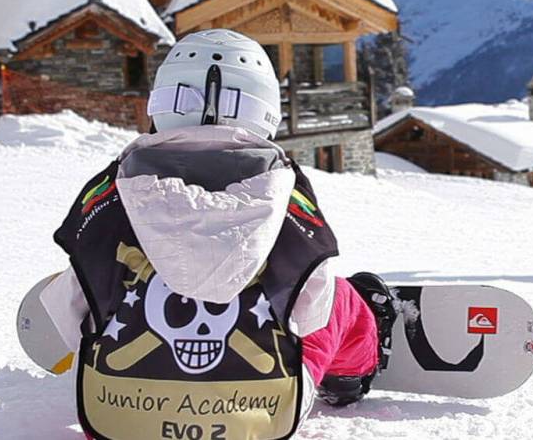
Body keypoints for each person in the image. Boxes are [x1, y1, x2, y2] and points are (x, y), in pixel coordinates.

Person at [21, 29, 397, 440]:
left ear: (161, 103)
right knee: (340, 297)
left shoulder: (111, 197)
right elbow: (310, 315)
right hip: (262, 417)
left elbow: (69, 315)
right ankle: (350, 375)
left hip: (115, 419)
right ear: (266, 110)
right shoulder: (286, 200)